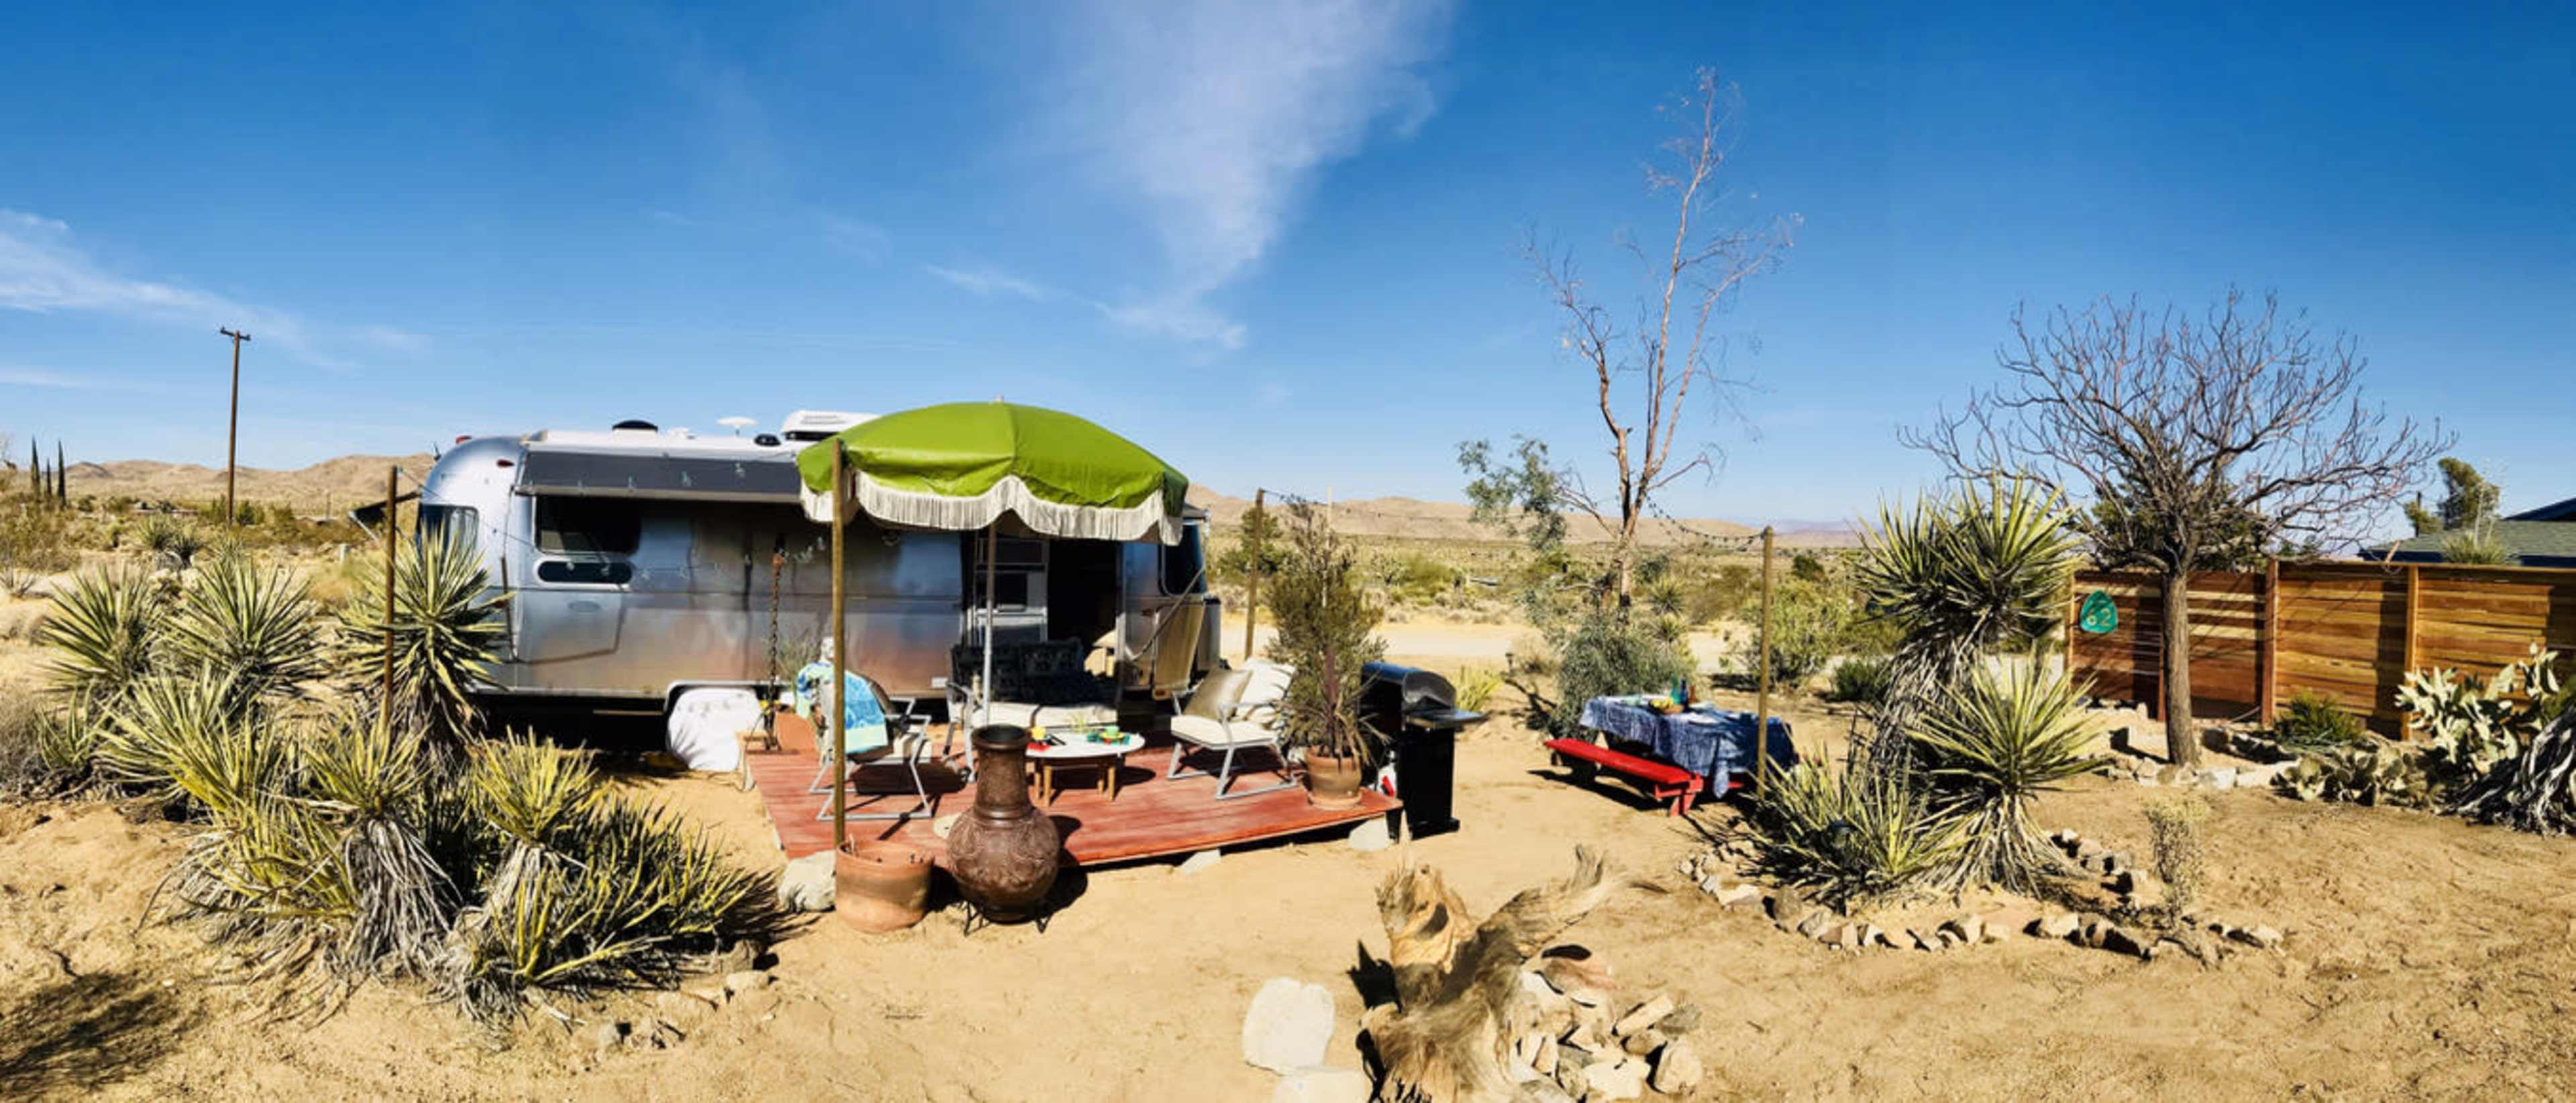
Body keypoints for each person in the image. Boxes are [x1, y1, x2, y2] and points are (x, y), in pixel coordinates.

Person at [794, 637, 890, 759]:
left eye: (835, 648)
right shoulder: (821, 672)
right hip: (833, 714)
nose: (832, 651)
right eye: (829, 647)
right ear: (822, 648)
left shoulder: (835, 672)